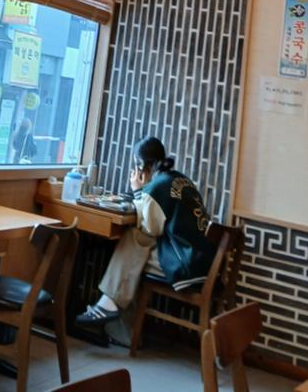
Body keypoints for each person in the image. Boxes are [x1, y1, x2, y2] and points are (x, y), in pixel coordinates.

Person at [76, 135, 217, 326]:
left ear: (141, 166)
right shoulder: (180, 179)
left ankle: (110, 305)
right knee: (135, 252)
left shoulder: (157, 188)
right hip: (202, 259)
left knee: (135, 238)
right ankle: (114, 316)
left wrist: (138, 191)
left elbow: (150, 228)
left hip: (186, 265)